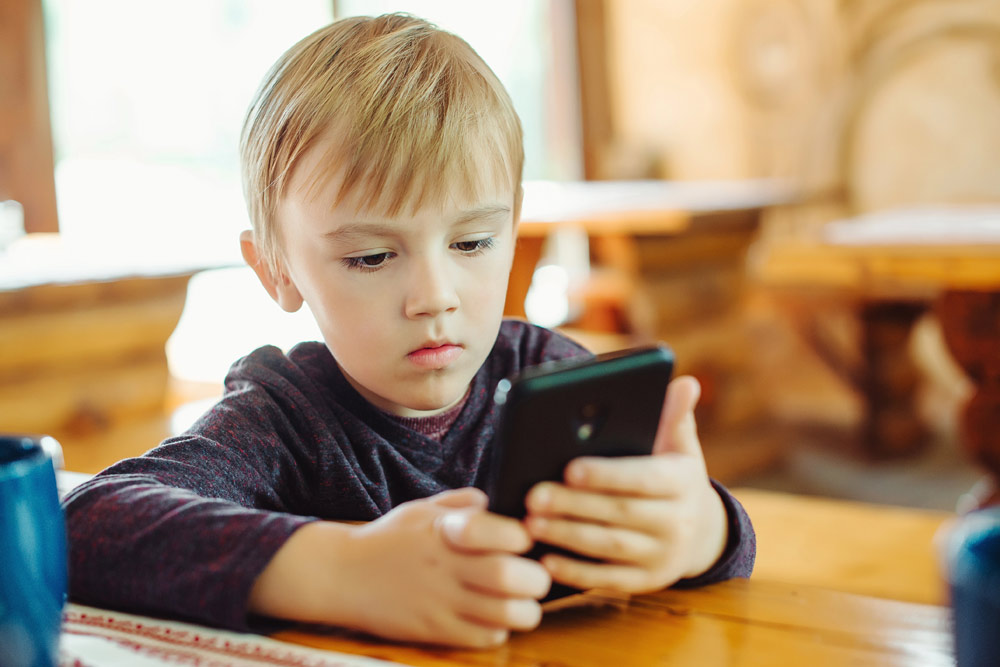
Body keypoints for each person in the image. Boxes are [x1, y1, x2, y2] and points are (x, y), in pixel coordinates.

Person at [63, 13, 755, 649]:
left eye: (473, 243)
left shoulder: (553, 374)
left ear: (514, 231)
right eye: (371, 256)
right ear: (276, 270)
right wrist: (345, 570)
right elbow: (86, 526)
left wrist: (699, 531)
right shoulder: (280, 418)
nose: (434, 297)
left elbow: (710, 550)